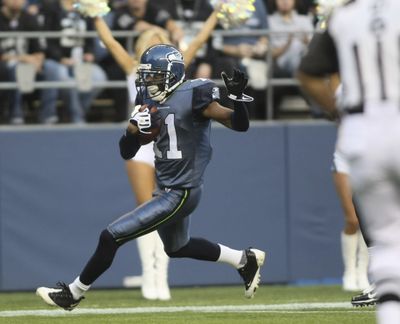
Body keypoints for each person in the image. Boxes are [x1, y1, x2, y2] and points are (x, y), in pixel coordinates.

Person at [36, 44, 265, 311]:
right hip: (166, 187)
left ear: (172, 73)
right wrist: (133, 130)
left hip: (182, 191)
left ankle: (72, 294)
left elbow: (239, 124)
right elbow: (127, 151)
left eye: (154, 74)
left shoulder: (195, 94)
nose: (148, 80)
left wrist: (237, 98)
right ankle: (243, 260)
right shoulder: (147, 96)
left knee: (110, 236)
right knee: (177, 247)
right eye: (147, 74)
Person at [91, 9, 219, 300]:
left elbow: (198, 40)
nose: (155, 43)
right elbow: (110, 42)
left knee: (163, 211)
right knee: (144, 210)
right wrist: (95, 13)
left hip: (170, 142)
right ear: (140, 47)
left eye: (160, 40)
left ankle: (161, 277)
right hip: (143, 142)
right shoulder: (133, 68)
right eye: (151, 40)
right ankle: (150, 274)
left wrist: (216, 13)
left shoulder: (172, 73)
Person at [297, 1, 400, 323]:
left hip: (362, 135)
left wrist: (339, 113)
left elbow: (308, 74)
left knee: (385, 241)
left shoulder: (342, 16)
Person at [40, 0, 107, 123]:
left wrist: (89, 53)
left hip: (80, 60)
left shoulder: (85, 9)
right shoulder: (51, 8)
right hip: (56, 60)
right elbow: (46, 39)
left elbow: (90, 37)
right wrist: (60, 58)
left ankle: (76, 111)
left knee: (99, 78)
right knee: (66, 80)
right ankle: (77, 117)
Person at [0, 0, 59, 124]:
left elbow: (40, 49)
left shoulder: (30, 18)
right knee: (15, 68)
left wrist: (37, 61)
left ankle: (47, 115)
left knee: (52, 68)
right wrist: (24, 58)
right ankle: (15, 114)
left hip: (30, 64)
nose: (17, 1)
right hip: (6, 67)